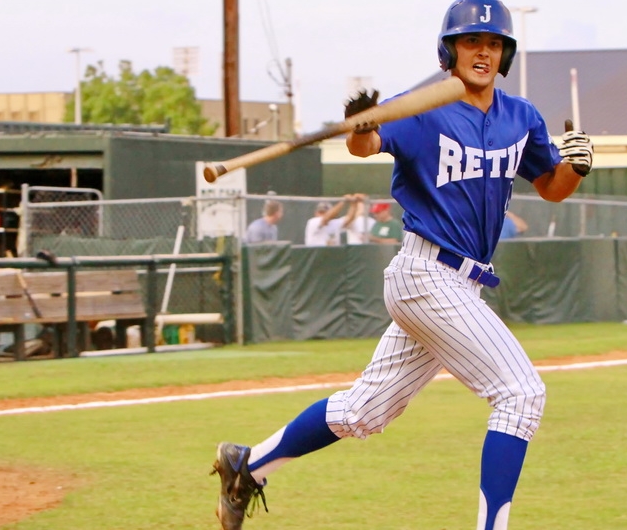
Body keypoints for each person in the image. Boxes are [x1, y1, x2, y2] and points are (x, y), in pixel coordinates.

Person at [209, 2, 594, 529]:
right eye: (470, 41)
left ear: (505, 54)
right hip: (426, 274)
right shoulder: (419, 110)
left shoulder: (521, 117)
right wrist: (363, 124)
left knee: (363, 411)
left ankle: (247, 464)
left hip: (462, 286)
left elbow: (552, 189)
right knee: (521, 394)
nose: (483, 50)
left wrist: (575, 166)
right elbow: (365, 145)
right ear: (449, 50)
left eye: (493, 42)